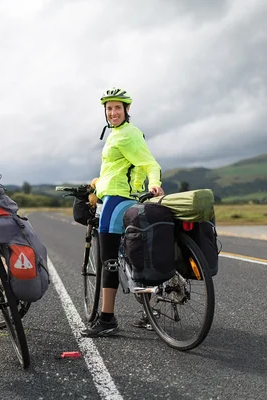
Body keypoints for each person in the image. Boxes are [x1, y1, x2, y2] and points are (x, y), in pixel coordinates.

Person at [81, 87, 164, 338]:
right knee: (129, 255)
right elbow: (117, 168)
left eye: (118, 108)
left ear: (127, 110)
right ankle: (149, 311)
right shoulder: (117, 134)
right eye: (109, 109)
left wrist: (153, 182)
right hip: (114, 194)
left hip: (119, 200)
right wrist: (97, 182)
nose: (113, 112)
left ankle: (107, 319)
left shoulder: (128, 134)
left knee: (109, 262)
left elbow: (149, 163)